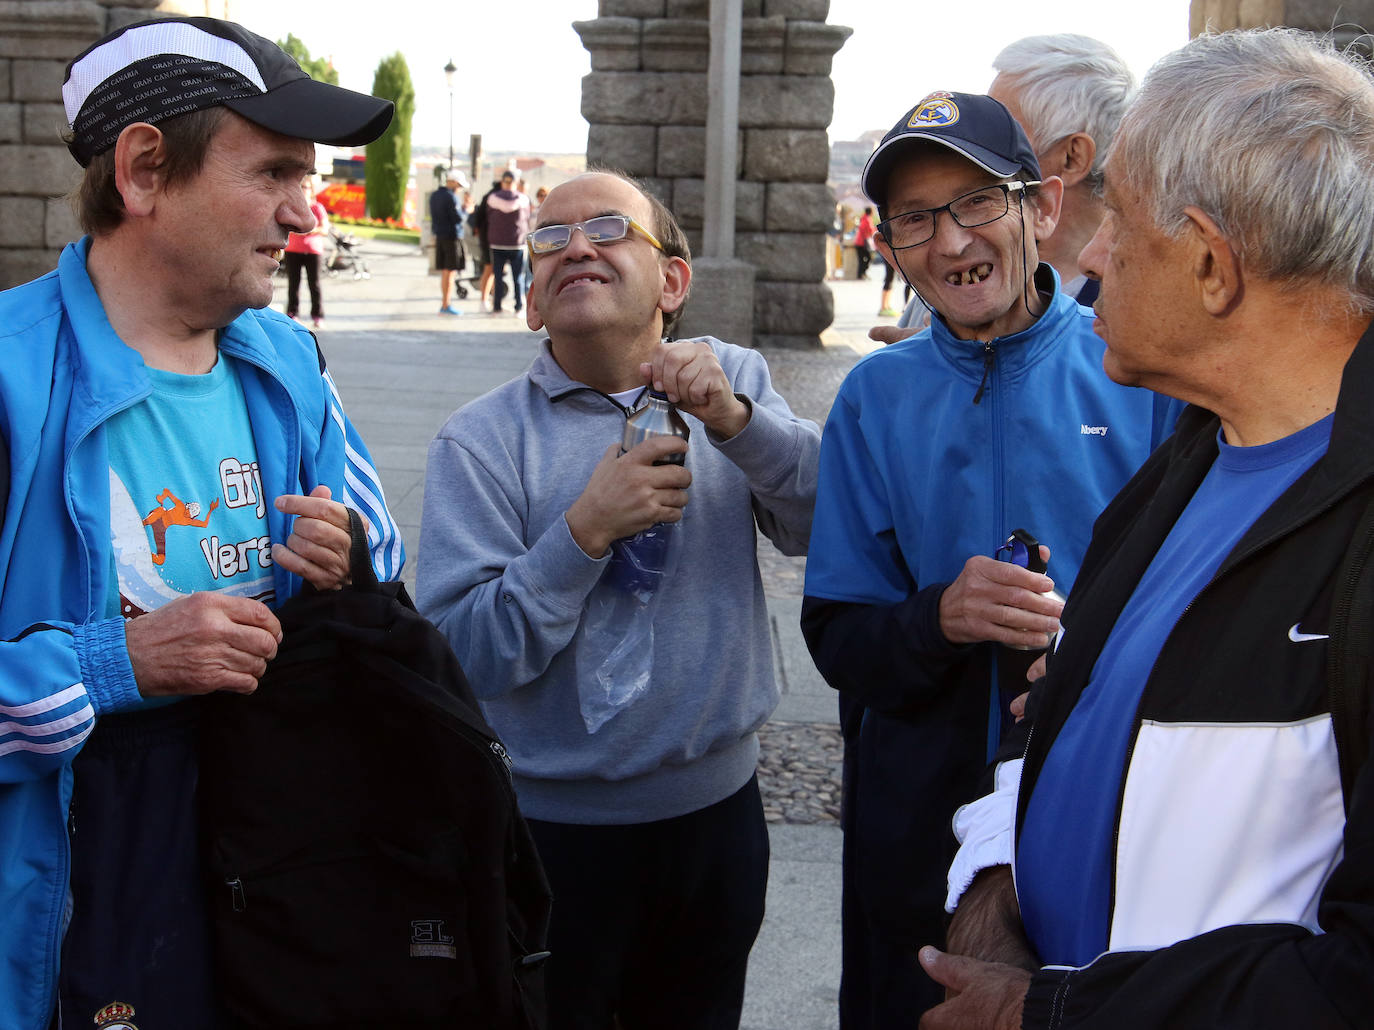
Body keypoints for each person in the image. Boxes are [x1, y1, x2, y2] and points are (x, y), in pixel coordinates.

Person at [925, 29, 1374, 1030]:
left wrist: (1047, 1013)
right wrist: (997, 888)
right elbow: (1069, 721)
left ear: (1214, 265)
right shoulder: (1186, 458)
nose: (1087, 253)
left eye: (1119, 222)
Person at [0, 16, 403, 1028]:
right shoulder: (8, 378)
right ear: (142, 171)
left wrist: (347, 560)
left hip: (275, 846)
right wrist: (114, 663)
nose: (301, 210)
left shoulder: (288, 359)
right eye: (270, 172)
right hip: (75, 886)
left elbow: (386, 560)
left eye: (305, 178)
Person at [800, 92, 1179, 1027]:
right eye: (916, 218)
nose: (949, 240)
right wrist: (940, 617)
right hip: (914, 823)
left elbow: (1203, 599)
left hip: (1098, 803)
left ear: (1043, 207)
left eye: (976, 203)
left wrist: (1090, 649)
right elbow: (840, 636)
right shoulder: (872, 399)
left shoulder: (1137, 372)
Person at [417, 170, 820, 1029]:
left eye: (606, 227)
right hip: (550, 839)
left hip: (716, 822)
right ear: (531, 299)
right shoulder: (481, 443)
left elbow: (822, 523)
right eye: (550, 239)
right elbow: (461, 656)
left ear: (672, 283)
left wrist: (737, 423)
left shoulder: (733, 378)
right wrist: (581, 534)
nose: (577, 248)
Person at [878, 34, 1135, 344]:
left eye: (1005, 125)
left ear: (1072, 157)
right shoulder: (944, 282)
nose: (973, 137)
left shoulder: (1146, 311)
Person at [283, 175, 329, 327]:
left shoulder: (317, 208)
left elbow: (325, 229)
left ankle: (317, 315)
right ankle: (292, 313)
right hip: (293, 249)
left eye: (306, 187)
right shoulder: (292, 206)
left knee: (314, 284)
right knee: (293, 283)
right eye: (301, 187)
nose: (304, 190)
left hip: (312, 251)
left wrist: (311, 230)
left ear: (312, 190)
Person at [486, 169, 530, 315]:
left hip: (497, 243)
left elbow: (488, 218)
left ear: (503, 182)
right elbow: (527, 218)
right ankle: (518, 307)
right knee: (518, 277)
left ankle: (497, 306)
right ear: (515, 183)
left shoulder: (492, 198)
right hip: (517, 243)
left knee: (498, 277)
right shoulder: (523, 199)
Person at [430, 170, 469, 314]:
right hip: (452, 238)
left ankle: (445, 303)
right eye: (458, 185)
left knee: (446, 272)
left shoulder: (435, 195)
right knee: (450, 272)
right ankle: (446, 304)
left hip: (440, 236)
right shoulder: (451, 197)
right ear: (452, 182)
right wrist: (467, 211)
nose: (459, 189)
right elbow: (458, 218)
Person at [853, 206, 876, 279]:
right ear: (871, 212)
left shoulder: (863, 218)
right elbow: (869, 230)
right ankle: (861, 274)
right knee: (868, 258)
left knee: (862, 259)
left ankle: (861, 274)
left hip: (859, 242)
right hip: (862, 243)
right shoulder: (867, 219)